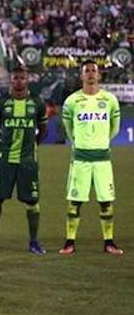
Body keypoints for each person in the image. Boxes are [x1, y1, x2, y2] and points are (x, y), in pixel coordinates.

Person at [59, 61, 123, 255]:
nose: (90, 74)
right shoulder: (72, 101)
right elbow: (67, 129)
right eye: (86, 71)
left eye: (93, 70)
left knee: (106, 202)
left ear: (99, 75)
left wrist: (102, 141)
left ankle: (109, 242)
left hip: (102, 158)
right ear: (81, 76)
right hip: (81, 159)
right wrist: (78, 143)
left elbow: (115, 127)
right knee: (75, 202)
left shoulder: (110, 100)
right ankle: (69, 242)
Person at [0, 66, 48, 255]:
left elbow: (43, 130)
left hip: (28, 161)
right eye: (16, 78)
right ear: (11, 80)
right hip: (5, 160)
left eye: (22, 78)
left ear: (28, 80)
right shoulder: (1, 103)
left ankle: (34, 242)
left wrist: (32, 146)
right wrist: (4, 146)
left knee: (32, 202)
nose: (19, 81)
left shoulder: (37, 103)